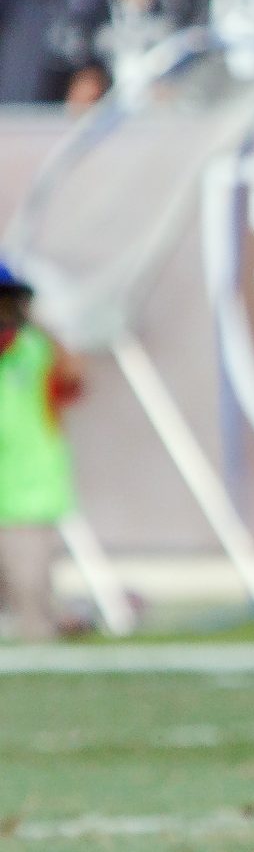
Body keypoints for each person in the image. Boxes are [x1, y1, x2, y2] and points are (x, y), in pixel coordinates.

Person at [0, 257, 83, 641]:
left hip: (27, 500)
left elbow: (72, 380)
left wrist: (44, 329)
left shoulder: (34, 351)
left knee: (31, 607)